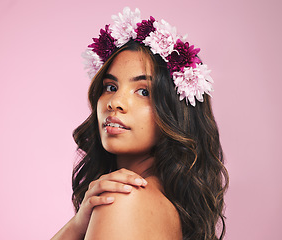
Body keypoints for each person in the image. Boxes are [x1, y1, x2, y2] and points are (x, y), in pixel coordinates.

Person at [52, 7, 228, 240]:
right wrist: (76, 224)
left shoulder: (122, 198)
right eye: (110, 87)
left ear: (173, 111)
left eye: (143, 91)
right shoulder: (164, 203)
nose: (115, 102)